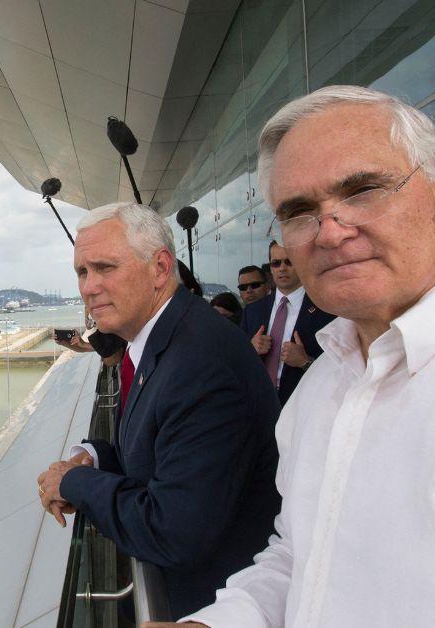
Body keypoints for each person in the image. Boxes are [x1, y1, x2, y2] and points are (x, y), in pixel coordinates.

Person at [155, 86, 435, 627]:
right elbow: (302, 556)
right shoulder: (325, 381)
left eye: (364, 190)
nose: (329, 231)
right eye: (300, 211)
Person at [36, 202, 281, 618]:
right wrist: (93, 457)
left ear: (160, 268)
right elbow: (153, 452)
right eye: (82, 272)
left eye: (105, 267)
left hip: (214, 606)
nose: (88, 287)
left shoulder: (201, 363)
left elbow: (171, 529)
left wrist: (76, 483)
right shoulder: (162, 341)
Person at [241, 241, 335, 405]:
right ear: (270, 268)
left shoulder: (325, 310)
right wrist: (250, 349)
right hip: (257, 405)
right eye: (276, 263)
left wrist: (305, 362)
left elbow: (340, 371)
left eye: (289, 261)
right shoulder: (253, 311)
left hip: (303, 405)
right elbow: (235, 362)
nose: (282, 268)